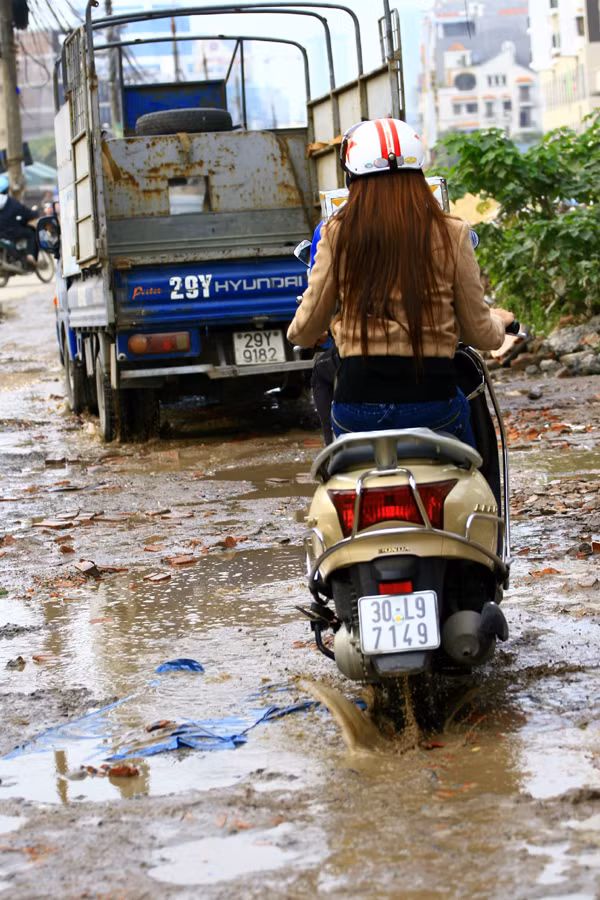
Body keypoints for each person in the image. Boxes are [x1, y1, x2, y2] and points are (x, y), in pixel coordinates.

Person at [287, 118, 513, 447]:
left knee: (338, 462)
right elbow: (481, 333)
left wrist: (308, 329)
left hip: (357, 409)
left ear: (351, 179)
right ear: (419, 174)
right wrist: (500, 320)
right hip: (434, 406)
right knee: (475, 459)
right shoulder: (453, 232)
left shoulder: (336, 233)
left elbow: (305, 331)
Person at [0, 181, 38, 266]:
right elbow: (27, 214)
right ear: (7, 190)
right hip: (11, 232)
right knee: (31, 233)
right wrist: (35, 213)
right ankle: (31, 256)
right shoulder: (12, 202)